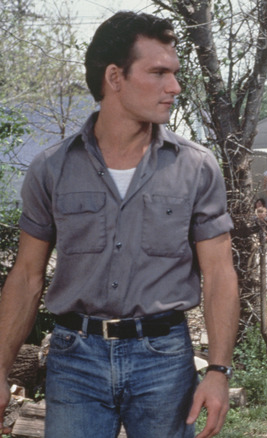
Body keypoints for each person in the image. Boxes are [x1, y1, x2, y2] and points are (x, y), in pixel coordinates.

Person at [0, 12, 239, 438]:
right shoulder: (52, 168)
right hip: (75, 359)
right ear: (115, 77)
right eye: (159, 73)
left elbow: (219, 274)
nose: (175, 87)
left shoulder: (196, 167)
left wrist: (218, 370)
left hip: (163, 359)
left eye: (175, 73)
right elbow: (26, 276)